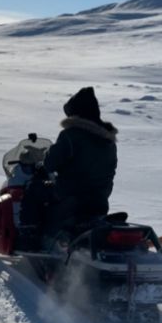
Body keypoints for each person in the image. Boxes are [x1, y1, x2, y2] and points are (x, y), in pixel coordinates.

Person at [23, 87, 118, 239]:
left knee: (34, 188)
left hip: (72, 195)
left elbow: (50, 163)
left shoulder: (71, 135)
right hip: (100, 198)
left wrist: (43, 162)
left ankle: (28, 235)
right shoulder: (109, 141)